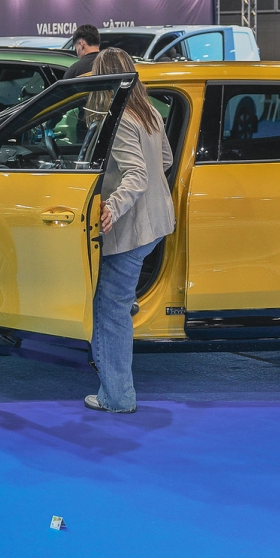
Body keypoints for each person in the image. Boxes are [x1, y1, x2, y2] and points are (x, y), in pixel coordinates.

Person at [85, 47, 176, 414]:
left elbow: (136, 174)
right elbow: (165, 160)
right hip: (155, 224)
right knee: (115, 302)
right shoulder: (149, 112)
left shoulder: (119, 116)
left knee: (110, 310)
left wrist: (112, 206)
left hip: (131, 227)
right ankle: (115, 387)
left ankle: (117, 396)